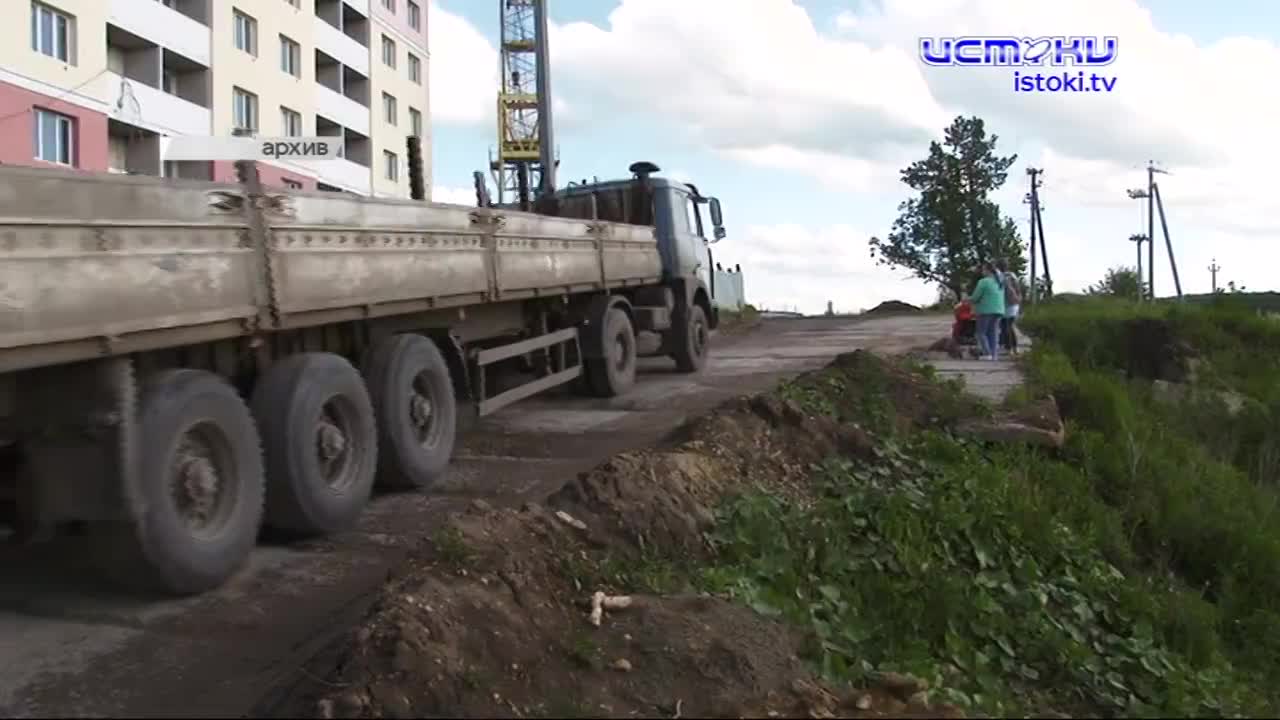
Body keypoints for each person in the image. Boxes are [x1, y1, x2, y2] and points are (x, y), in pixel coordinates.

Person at [967, 262, 1006, 360]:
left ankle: (987, 353)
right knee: (993, 333)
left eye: (984, 269)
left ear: (988, 270)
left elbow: (976, 297)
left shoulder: (983, 282)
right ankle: (994, 355)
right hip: (998, 310)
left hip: (985, 310)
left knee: (981, 332)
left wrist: (967, 299)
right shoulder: (1000, 282)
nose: (982, 271)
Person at [996, 260, 1022, 355]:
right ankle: (1011, 347)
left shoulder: (1001, 277)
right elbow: (1018, 289)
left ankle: (1011, 348)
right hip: (1014, 304)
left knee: (1007, 327)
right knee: (1007, 326)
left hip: (1005, 305)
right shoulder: (1013, 275)